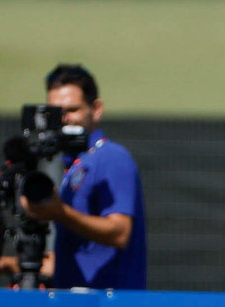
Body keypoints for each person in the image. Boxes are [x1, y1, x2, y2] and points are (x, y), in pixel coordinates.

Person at [19, 64, 147, 290]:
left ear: (96, 109)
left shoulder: (111, 157)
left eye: (72, 110)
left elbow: (120, 232)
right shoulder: (75, 164)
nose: (64, 119)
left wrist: (61, 213)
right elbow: (81, 254)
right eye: (56, 113)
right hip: (78, 304)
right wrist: (9, 264)